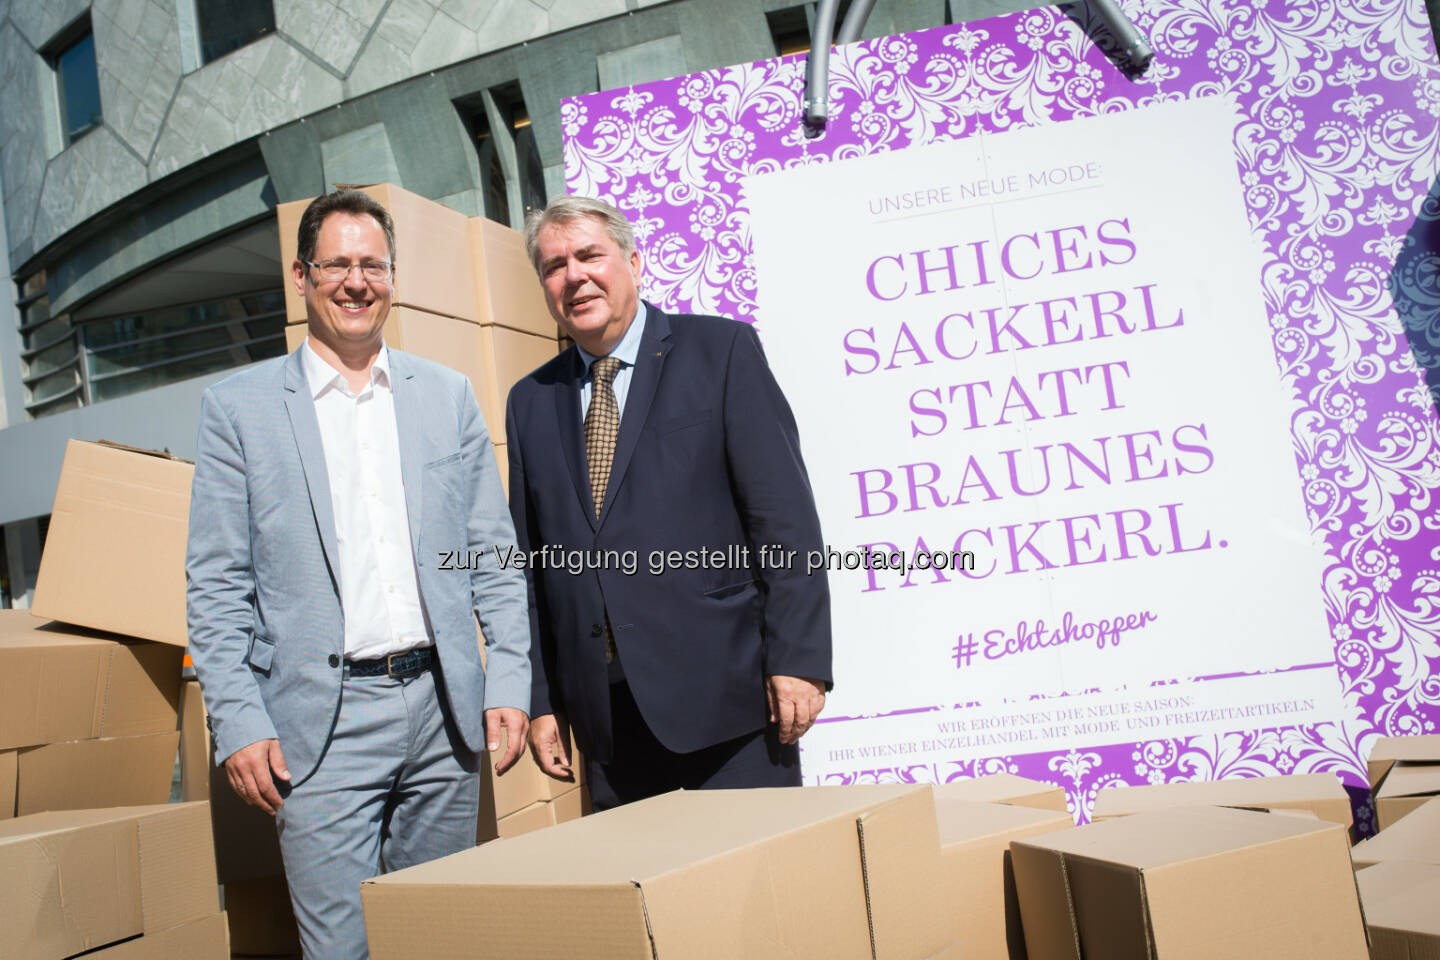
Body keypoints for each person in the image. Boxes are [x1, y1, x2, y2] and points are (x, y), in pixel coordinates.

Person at [186, 189, 531, 958]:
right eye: (337, 264)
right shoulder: (237, 411)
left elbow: (492, 555)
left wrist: (508, 677)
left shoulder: (446, 396)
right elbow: (216, 585)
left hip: (446, 716)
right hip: (319, 727)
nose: (355, 281)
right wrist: (238, 721)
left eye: (372, 264)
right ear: (301, 276)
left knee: (438, 938)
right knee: (342, 950)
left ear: (393, 278)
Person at [505, 194, 832, 810]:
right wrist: (540, 697)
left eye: (589, 255)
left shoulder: (722, 352)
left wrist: (799, 659)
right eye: (553, 266)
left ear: (632, 261)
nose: (573, 275)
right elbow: (532, 566)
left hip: (729, 703)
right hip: (608, 726)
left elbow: (784, 521)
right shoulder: (530, 401)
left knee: (756, 895)